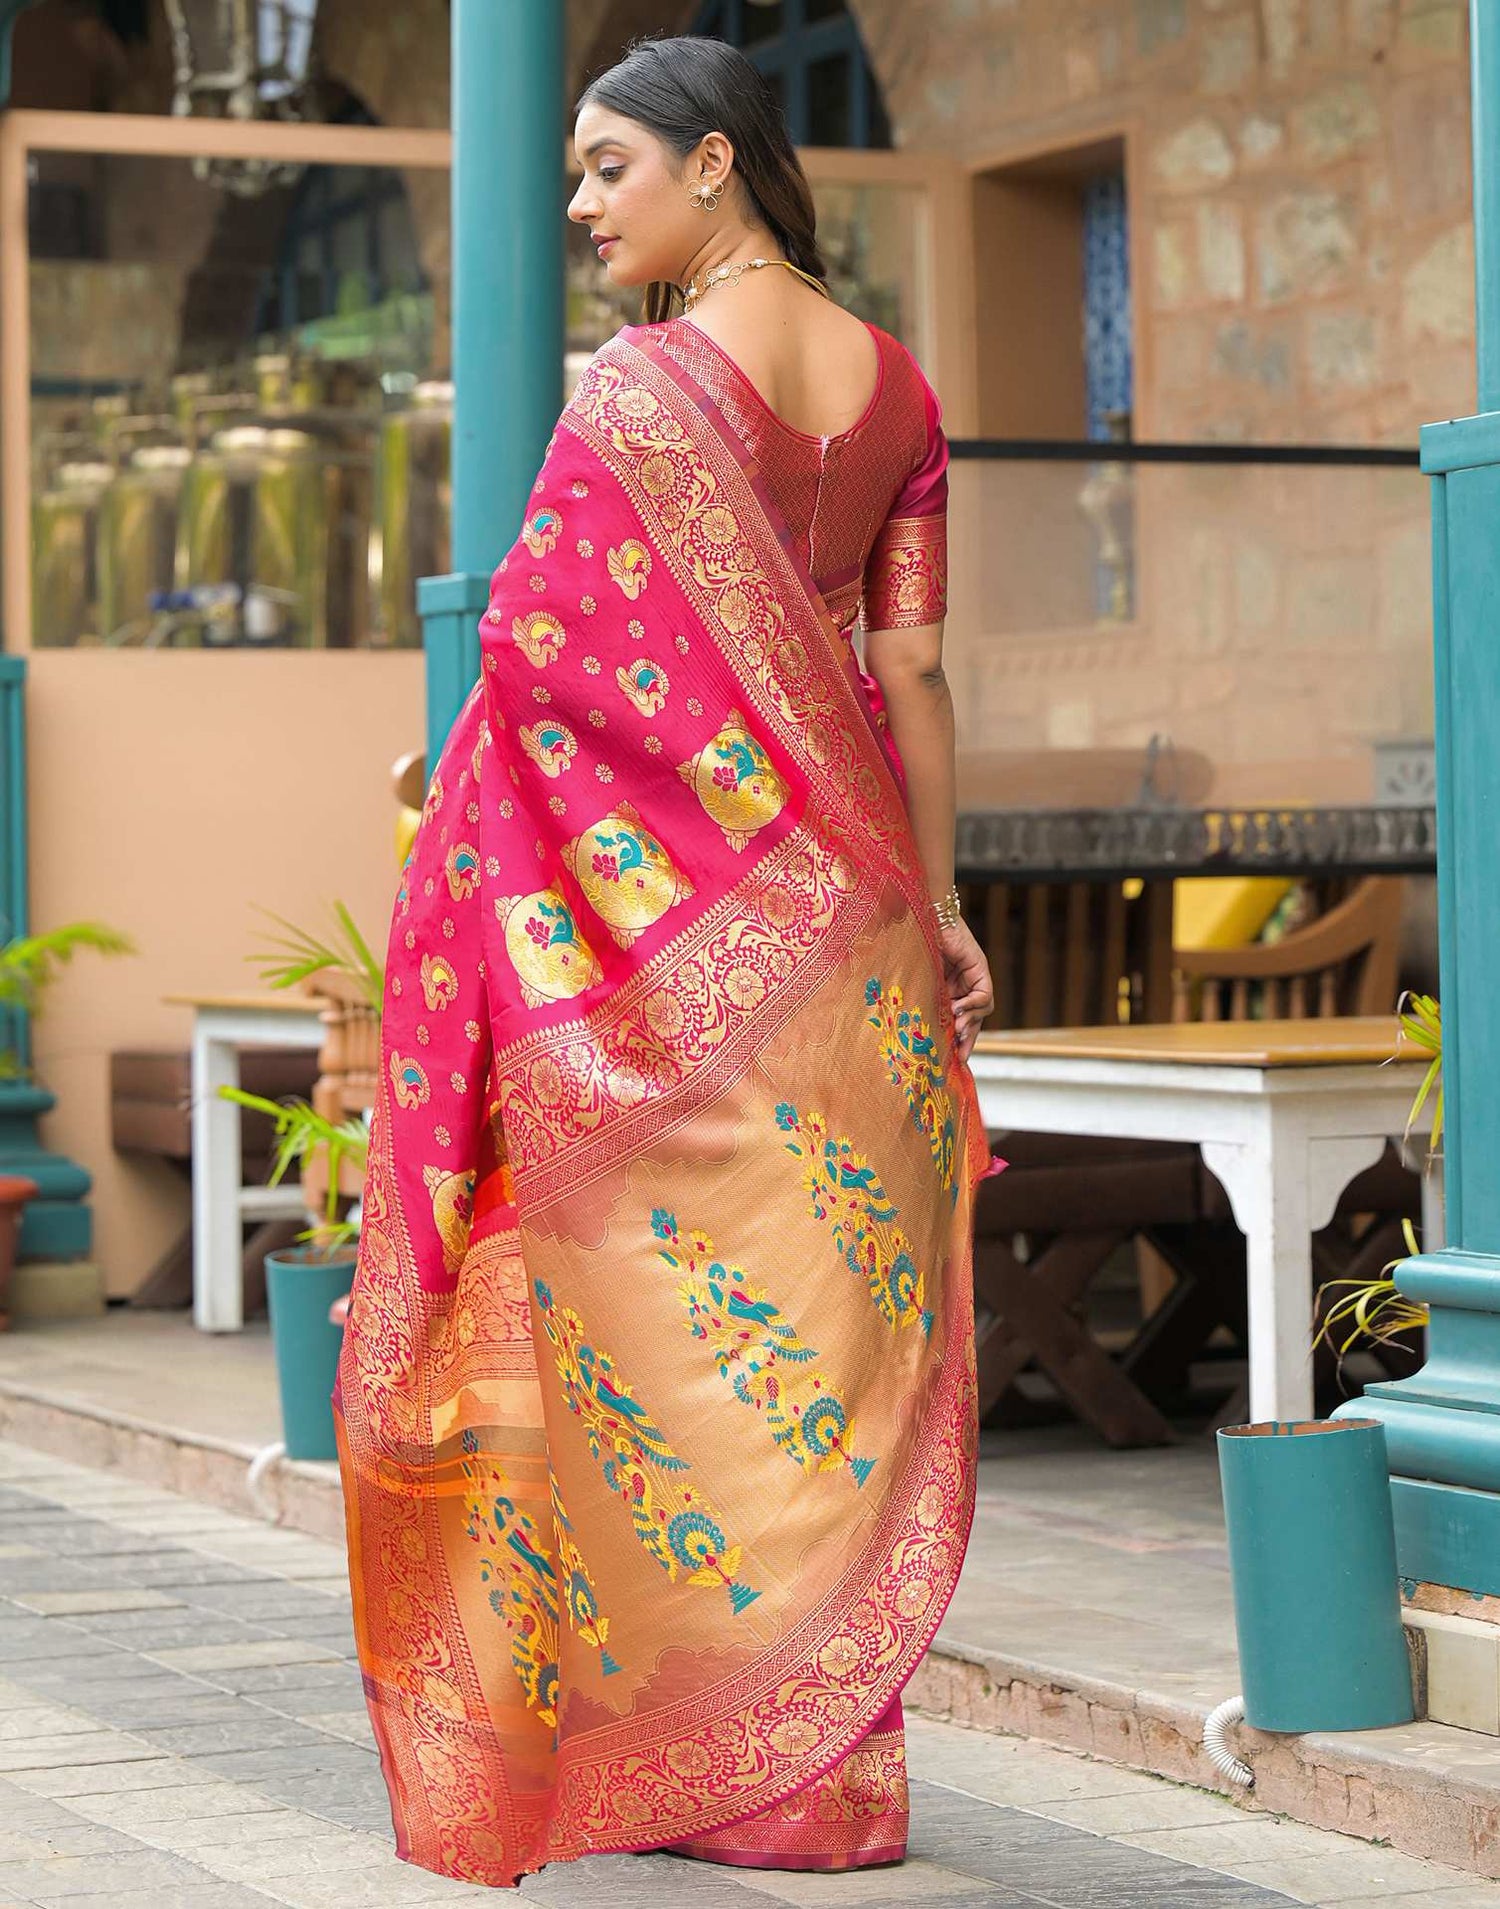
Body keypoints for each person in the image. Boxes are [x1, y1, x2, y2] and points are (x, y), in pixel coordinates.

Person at [335, 34, 997, 1891]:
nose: (580, 205)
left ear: (716, 167)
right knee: (820, 1338)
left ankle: (727, 1751)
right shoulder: (902, 387)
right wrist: (941, 907)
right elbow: (916, 677)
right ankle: (822, 1776)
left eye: (609, 168)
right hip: (854, 931)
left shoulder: (636, 396)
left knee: (676, 1324)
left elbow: (545, 692)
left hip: (680, 953)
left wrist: (456, 874)